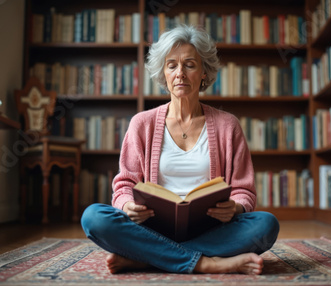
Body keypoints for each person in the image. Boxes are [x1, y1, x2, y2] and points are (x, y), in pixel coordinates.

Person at [81, 25, 279, 275]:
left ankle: (148, 258)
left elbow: (243, 190)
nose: (180, 74)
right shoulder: (142, 124)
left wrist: (236, 207)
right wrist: (127, 205)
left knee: (265, 225)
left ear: (204, 73)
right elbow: (124, 185)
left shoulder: (228, 125)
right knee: (94, 218)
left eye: (190, 65)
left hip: (212, 227)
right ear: (163, 75)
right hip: (151, 227)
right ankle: (208, 263)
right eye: (172, 65)